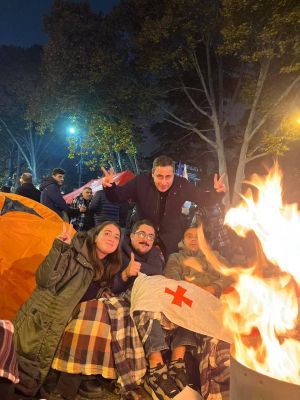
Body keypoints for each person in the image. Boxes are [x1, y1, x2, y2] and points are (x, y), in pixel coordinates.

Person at [13, 221, 122, 398]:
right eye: (107, 233)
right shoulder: (73, 252)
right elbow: (45, 280)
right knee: (21, 378)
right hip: (41, 320)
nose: (112, 238)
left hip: (64, 326)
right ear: (95, 237)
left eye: (117, 237)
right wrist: (60, 248)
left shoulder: (105, 270)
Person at [134, 225, 230, 400]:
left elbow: (228, 275)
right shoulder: (176, 257)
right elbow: (171, 277)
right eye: (189, 236)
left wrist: (213, 287)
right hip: (185, 296)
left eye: (197, 236)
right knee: (181, 306)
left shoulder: (215, 257)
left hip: (210, 299)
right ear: (182, 241)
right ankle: (170, 364)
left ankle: (181, 363)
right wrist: (192, 289)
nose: (194, 239)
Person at [101, 155, 225, 259]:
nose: (164, 182)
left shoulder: (182, 184)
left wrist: (218, 193)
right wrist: (110, 187)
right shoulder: (141, 181)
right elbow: (117, 196)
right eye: (159, 176)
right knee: (140, 269)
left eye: (168, 177)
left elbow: (202, 198)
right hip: (144, 235)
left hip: (171, 238)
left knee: (168, 271)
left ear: (174, 175)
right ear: (152, 173)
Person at [112, 219, 164, 294]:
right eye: (142, 234)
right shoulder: (117, 252)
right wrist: (125, 274)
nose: (146, 239)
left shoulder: (157, 256)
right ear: (132, 236)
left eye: (150, 236)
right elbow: (107, 288)